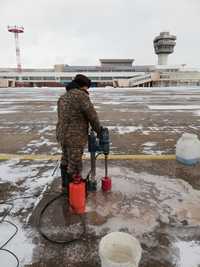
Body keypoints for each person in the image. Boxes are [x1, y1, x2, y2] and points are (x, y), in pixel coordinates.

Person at [56, 74, 102, 194]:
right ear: (83, 86)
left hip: (62, 135)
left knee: (65, 159)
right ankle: (74, 192)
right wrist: (99, 131)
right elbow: (92, 116)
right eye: (87, 88)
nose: (87, 91)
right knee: (75, 163)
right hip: (75, 136)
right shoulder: (81, 96)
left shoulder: (63, 97)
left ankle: (65, 185)